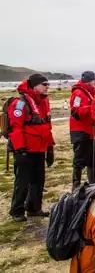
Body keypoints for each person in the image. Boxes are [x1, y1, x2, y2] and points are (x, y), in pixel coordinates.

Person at [7, 74, 54, 222]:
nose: (47, 87)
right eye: (44, 84)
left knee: (38, 180)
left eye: (48, 85)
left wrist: (50, 147)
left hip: (40, 148)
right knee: (23, 181)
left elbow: (46, 126)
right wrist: (20, 149)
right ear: (34, 86)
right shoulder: (20, 104)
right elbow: (16, 128)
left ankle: (34, 208)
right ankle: (17, 210)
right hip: (26, 149)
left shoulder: (43, 102)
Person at [70, 71, 95, 188]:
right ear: (89, 81)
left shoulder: (90, 93)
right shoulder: (78, 93)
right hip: (81, 130)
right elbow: (76, 111)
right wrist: (92, 107)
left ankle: (93, 182)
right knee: (79, 158)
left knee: (93, 157)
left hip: (91, 130)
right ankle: (76, 185)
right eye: (94, 80)